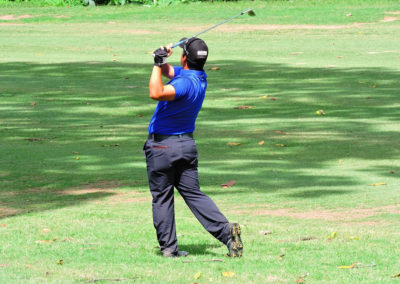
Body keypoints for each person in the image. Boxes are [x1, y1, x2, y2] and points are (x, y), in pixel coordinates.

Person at [143, 37, 243, 258]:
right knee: (193, 193)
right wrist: (161, 59)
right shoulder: (198, 76)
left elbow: (156, 92)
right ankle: (226, 232)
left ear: (184, 57)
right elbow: (171, 72)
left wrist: (156, 65)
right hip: (186, 146)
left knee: (162, 197)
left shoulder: (183, 83)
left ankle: (169, 249)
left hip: (162, 146)